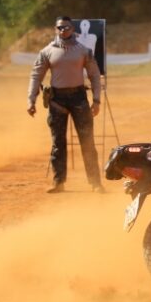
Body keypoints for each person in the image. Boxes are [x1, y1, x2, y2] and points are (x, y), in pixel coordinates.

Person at [27, 16, 104, 193]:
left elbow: (94, 75)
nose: (63, 31)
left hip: (79, 98)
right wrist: (31, 99)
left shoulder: (84, 51)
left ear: (72, 28)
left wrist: (97, 100)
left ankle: (95, 183)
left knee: (87, 142)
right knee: (57, 143)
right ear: (55, 29)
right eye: (60, 28)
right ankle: (58, 182)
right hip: (57, 100)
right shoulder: (47, 51)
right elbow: (36, 75)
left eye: (66, 27)